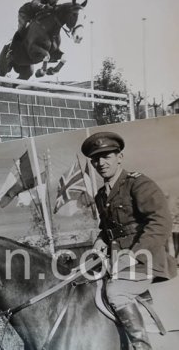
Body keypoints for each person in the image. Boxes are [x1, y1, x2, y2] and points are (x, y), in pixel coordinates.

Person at [81, 132, 177, 350]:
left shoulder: (138, 183)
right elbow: (110, 229)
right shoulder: (100, 195)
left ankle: (141, 346)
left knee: (116, 292)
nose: (101, 163)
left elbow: (161, 222)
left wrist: (135, 254)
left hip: (146, 260)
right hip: (116, 263)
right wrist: (100, 240)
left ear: (120, 157)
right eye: (96, 159)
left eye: (107, 156)